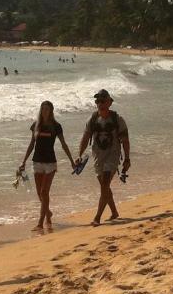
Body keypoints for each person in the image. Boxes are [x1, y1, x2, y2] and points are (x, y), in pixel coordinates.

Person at [77, 90, 130, 226]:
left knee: (105, 184)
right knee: (104, 186)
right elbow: (85, 138)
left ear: (109, 103)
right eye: (98, 101)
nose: (100, 104)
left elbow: (125, 140)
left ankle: (97, 217)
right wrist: (79, 155)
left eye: (103, 101)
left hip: (113, 155)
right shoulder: (92, 119)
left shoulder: (118, 119)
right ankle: (114, 212)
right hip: (98, 156)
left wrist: (127, 159)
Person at [19, 101, 75, 231]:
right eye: (42, 109)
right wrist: (24, 161)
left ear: (51, 111)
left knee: (45, 192)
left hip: (50, 163)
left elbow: (63, 144)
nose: (44, 111)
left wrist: (72, 161)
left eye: (47, 109)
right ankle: (48, 215)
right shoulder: (36, 125)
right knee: (40, 193)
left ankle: (40, 223)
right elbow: (31, 144)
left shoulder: (56, 126)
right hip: (37, 161)